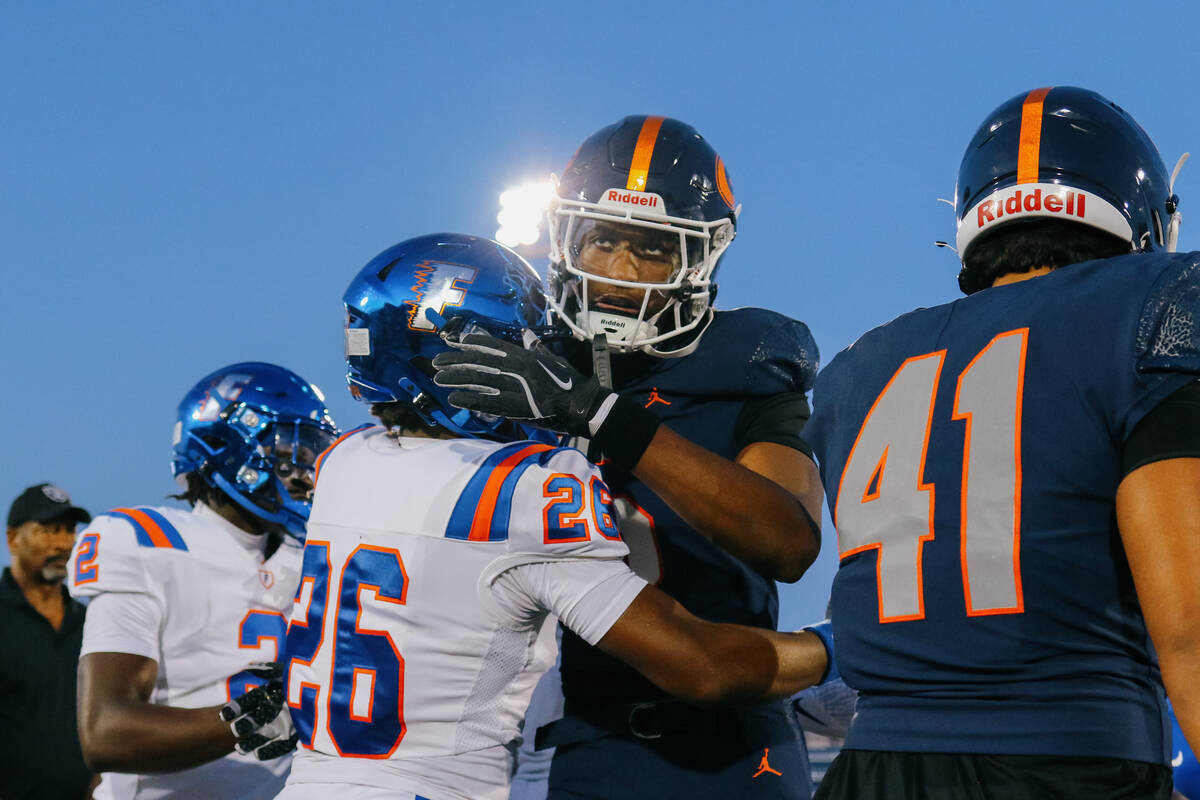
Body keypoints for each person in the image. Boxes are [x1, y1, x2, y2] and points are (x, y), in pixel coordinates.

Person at [276, 233, 835, 800]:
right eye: (518, 346)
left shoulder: (343, 464)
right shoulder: (523, 489)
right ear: (467, 357)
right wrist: (840, 647)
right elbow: (702, 664)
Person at [798, 86, 1199, 799]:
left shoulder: (859, 365)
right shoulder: (1154, 304)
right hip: (1068, 761)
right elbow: (1192, 629)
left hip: (871, 772)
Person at [432, 115, 824, 799]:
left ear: (699, 260)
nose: (618, 273)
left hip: (736, 742)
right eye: (602, 240)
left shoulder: (742, 364)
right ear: (566, 239)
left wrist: (604, 419)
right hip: (573, 738)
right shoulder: (522, 365)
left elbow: (786, 542)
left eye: (651, 249)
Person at [66, 362, 340, 799]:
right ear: (228, 448)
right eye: (288, 452)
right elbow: (107, 732)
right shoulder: (148, 542)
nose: (304, 472)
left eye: (311, 455)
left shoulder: (313, 556)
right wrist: (257, 716)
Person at [1, 483, 94, 799]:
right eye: (48, 530)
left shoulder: (92, 624)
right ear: (13, 539)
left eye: (69, 530)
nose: (63, 543)